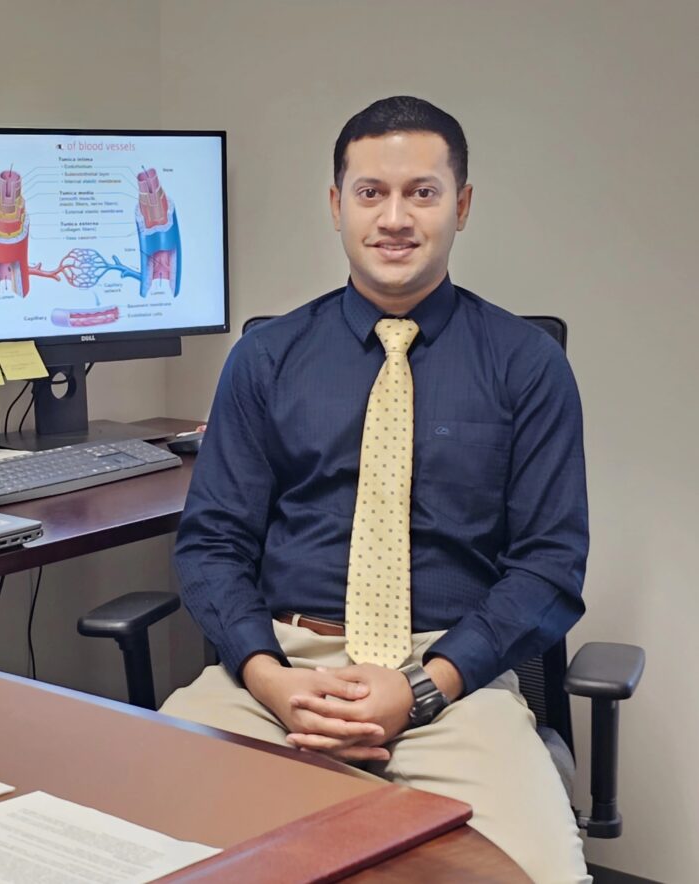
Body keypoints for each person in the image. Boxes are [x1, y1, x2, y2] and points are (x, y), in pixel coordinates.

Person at [160, 96, 590, 883]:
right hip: (278, 671)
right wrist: (269, 677)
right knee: (123, 833)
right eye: (371, 192)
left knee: (542, 873)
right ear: (336, 206)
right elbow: (212, 545)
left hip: (449, 682)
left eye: (421, 192)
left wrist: (420, 689)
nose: (395, 217)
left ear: (461, 205)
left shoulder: (527, 366)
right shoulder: (266, 360)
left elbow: (549, 567)